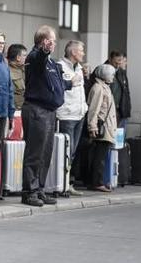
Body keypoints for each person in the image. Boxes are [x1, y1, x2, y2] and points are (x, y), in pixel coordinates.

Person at [22, 25, 71, 207]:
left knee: (45, 153)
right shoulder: (35, 57)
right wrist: (43, 50)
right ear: (44, 41)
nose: (54, 44)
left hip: (49, 111)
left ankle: (39, 188)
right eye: (52, 41)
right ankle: (29, 192)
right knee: (35, 153)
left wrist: (70, 83)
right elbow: (38, 59)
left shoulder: (51, 62)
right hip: (37, 110)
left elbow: (53, 84)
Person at [56, 40, 88, 196]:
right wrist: (70, 81)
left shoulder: (80, 68)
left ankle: (68, 182)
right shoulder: (60, 67)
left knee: (73, 152)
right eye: (81, 50)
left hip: (79, 114)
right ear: (74, 52)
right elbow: (58, 88)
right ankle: (61, 183)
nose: (83, 53)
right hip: (67, 115)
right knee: (66, 151)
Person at [86, 64, 118, 193]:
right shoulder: (99, 88)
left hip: (107, 126)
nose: (113, 77)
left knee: (100, 155)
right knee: (99, 156)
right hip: (102, 127)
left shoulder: (104, 87)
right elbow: (93, 109)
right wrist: (92, 126)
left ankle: (96, 181)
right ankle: (96, 182)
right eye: (112, 75)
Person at [106, 51, 132, 129]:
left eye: (119, 63)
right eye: (115, 63)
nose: (117, 66)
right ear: (110, 60)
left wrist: (127, 109)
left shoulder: (121, 72)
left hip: (121, 110)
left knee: (119, 138)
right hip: (109, 110)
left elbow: (126, 92)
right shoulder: (103, 71)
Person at [7, 44, 28, 112]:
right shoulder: (6, 71)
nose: (26, 58)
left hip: (24, 110)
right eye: (24, 55)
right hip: (13, 111)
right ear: (18, 57)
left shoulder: (25, 69)